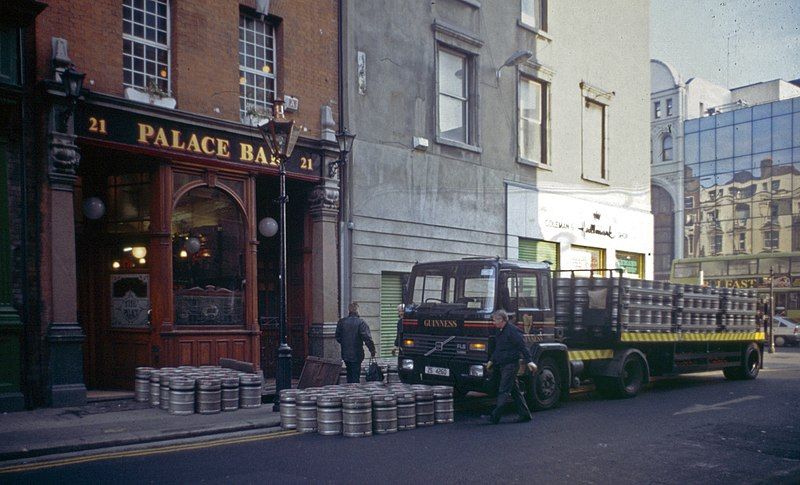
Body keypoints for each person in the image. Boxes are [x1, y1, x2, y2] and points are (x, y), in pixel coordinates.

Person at [485, 309, 537, 424]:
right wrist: (492, 360)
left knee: (503, 390)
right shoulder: (500, 331)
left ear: (501, 320)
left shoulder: (512, 331)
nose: (493, 323)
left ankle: (495, 417)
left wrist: (529, 361)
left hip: (511, 364)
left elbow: (523, 346)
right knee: (515, 391)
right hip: (504, 364)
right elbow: (499, 348)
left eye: (495, 320)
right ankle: (525, 415)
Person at [336, 302, 376, 383]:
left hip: (345, 353)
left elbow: (338, 337)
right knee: (355, 375)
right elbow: (367, 338)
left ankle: (349, 388)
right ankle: (354, 389)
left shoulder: (342, 322)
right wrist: (372, 350)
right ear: (357, 311)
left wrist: (345, 343)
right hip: (357, 353)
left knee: (349, 373)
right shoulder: (361, 323)